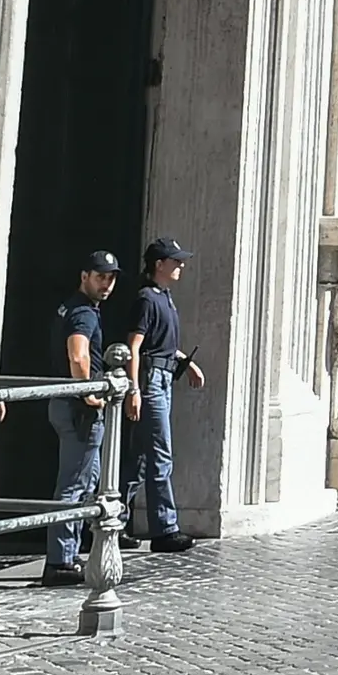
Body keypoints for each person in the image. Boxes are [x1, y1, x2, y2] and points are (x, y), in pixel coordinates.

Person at [42, 250, 122, 584]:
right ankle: (60, 561)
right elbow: (77, 354)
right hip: (79, 410)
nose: (107, 284)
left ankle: (68, 554)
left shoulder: (70, 307)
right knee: (75, 485)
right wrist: (88, 391)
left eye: (111, 278)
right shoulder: (84, 314)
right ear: (84, 276)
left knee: (81, 481)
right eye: (101, 276)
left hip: (63, 403)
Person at [122, 236, 206, 553]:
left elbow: (164, 345)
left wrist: (189, 363)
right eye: (175, 261)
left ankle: (114, 522)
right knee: (159, 454)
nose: (181, 265)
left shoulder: (164, 298)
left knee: (140, 460)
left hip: (164, 376)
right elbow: (135, 346)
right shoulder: (147, 298)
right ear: (159, 265)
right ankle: (164, 528)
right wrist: (135, 389)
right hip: (151, 380)